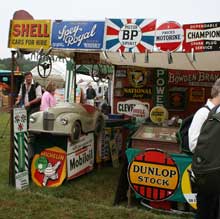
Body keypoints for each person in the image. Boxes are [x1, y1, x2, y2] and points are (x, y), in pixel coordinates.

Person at [189, 78, 220, 219]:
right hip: (206, 174)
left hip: (216, 172)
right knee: (205, 212)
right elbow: (193, 144)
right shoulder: (202, 113)